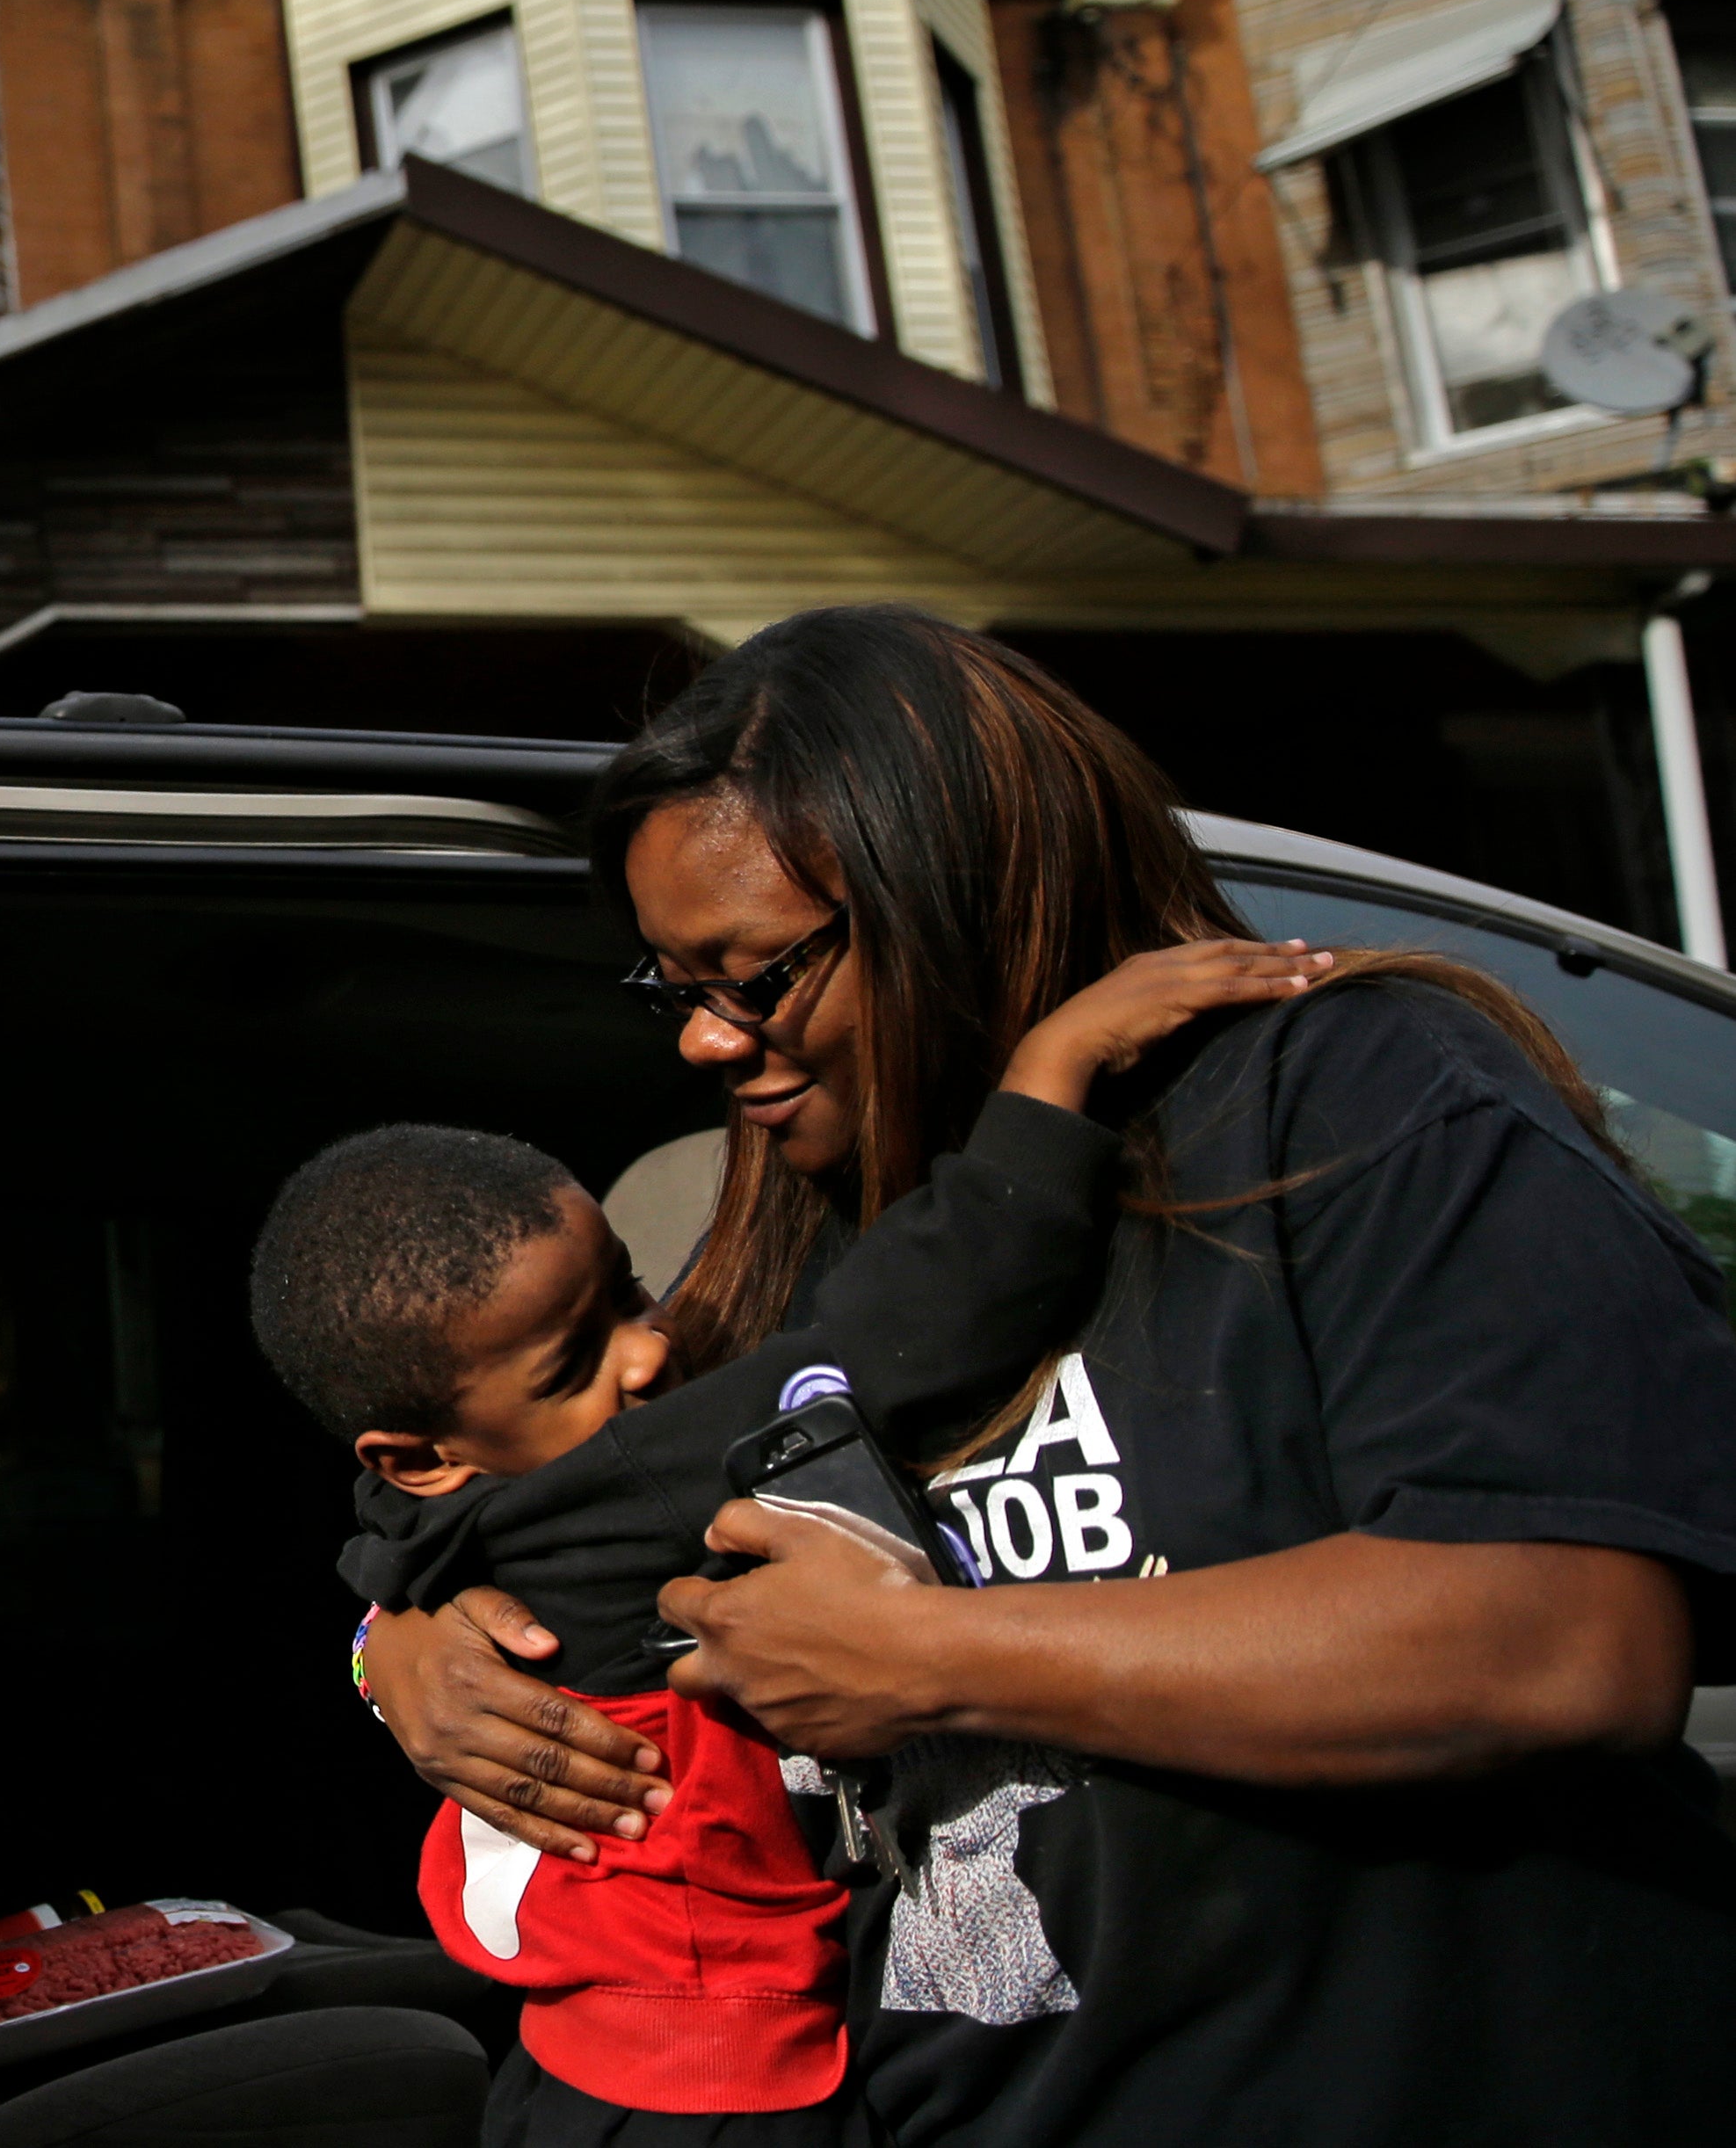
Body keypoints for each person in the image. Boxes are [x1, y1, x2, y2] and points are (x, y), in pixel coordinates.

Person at [355, 603, 1736, 2144]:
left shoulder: (1350, 1094)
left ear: (951, 896)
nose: (705, 1041)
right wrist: (410, 1650)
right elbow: (580, 1513)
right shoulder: (807, 1219)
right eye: (674, 986)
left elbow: (1563, 1640)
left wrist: (938, 1659)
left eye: (756, 976)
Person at [251, 940, 1326, 2145]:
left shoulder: (433, 1522)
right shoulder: (630, 1488)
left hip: (586, 2062)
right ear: (418, 1456)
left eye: (628, 1290)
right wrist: (1052, 1071)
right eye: (574, 1365)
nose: (649, 1351)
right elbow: (915, 1324)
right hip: (718, 2082)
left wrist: (384, 1637)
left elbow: (378, 1560)